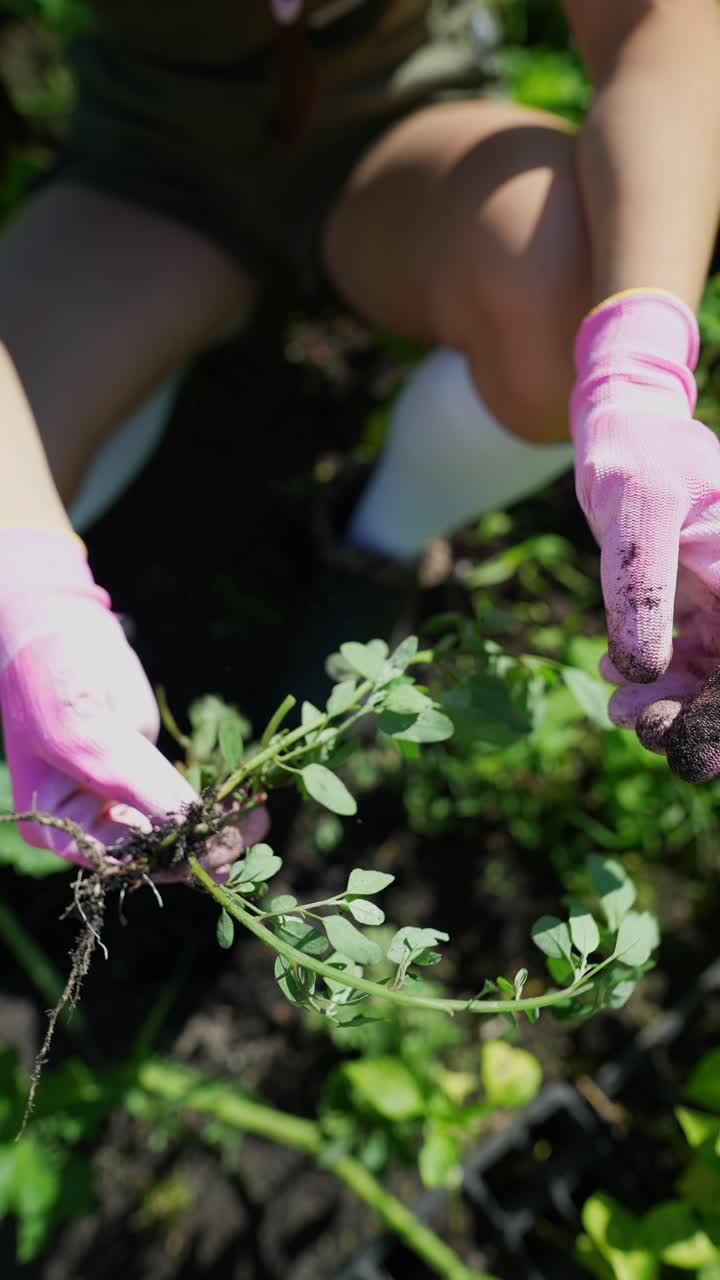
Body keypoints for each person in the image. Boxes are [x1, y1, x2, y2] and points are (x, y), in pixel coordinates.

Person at [1, 0, 720, 868]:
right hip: (148, 169)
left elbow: (657, 24)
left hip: (409, 139)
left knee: (560, 293)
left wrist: (637, 365)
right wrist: (23, 585)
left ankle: (380, 546)